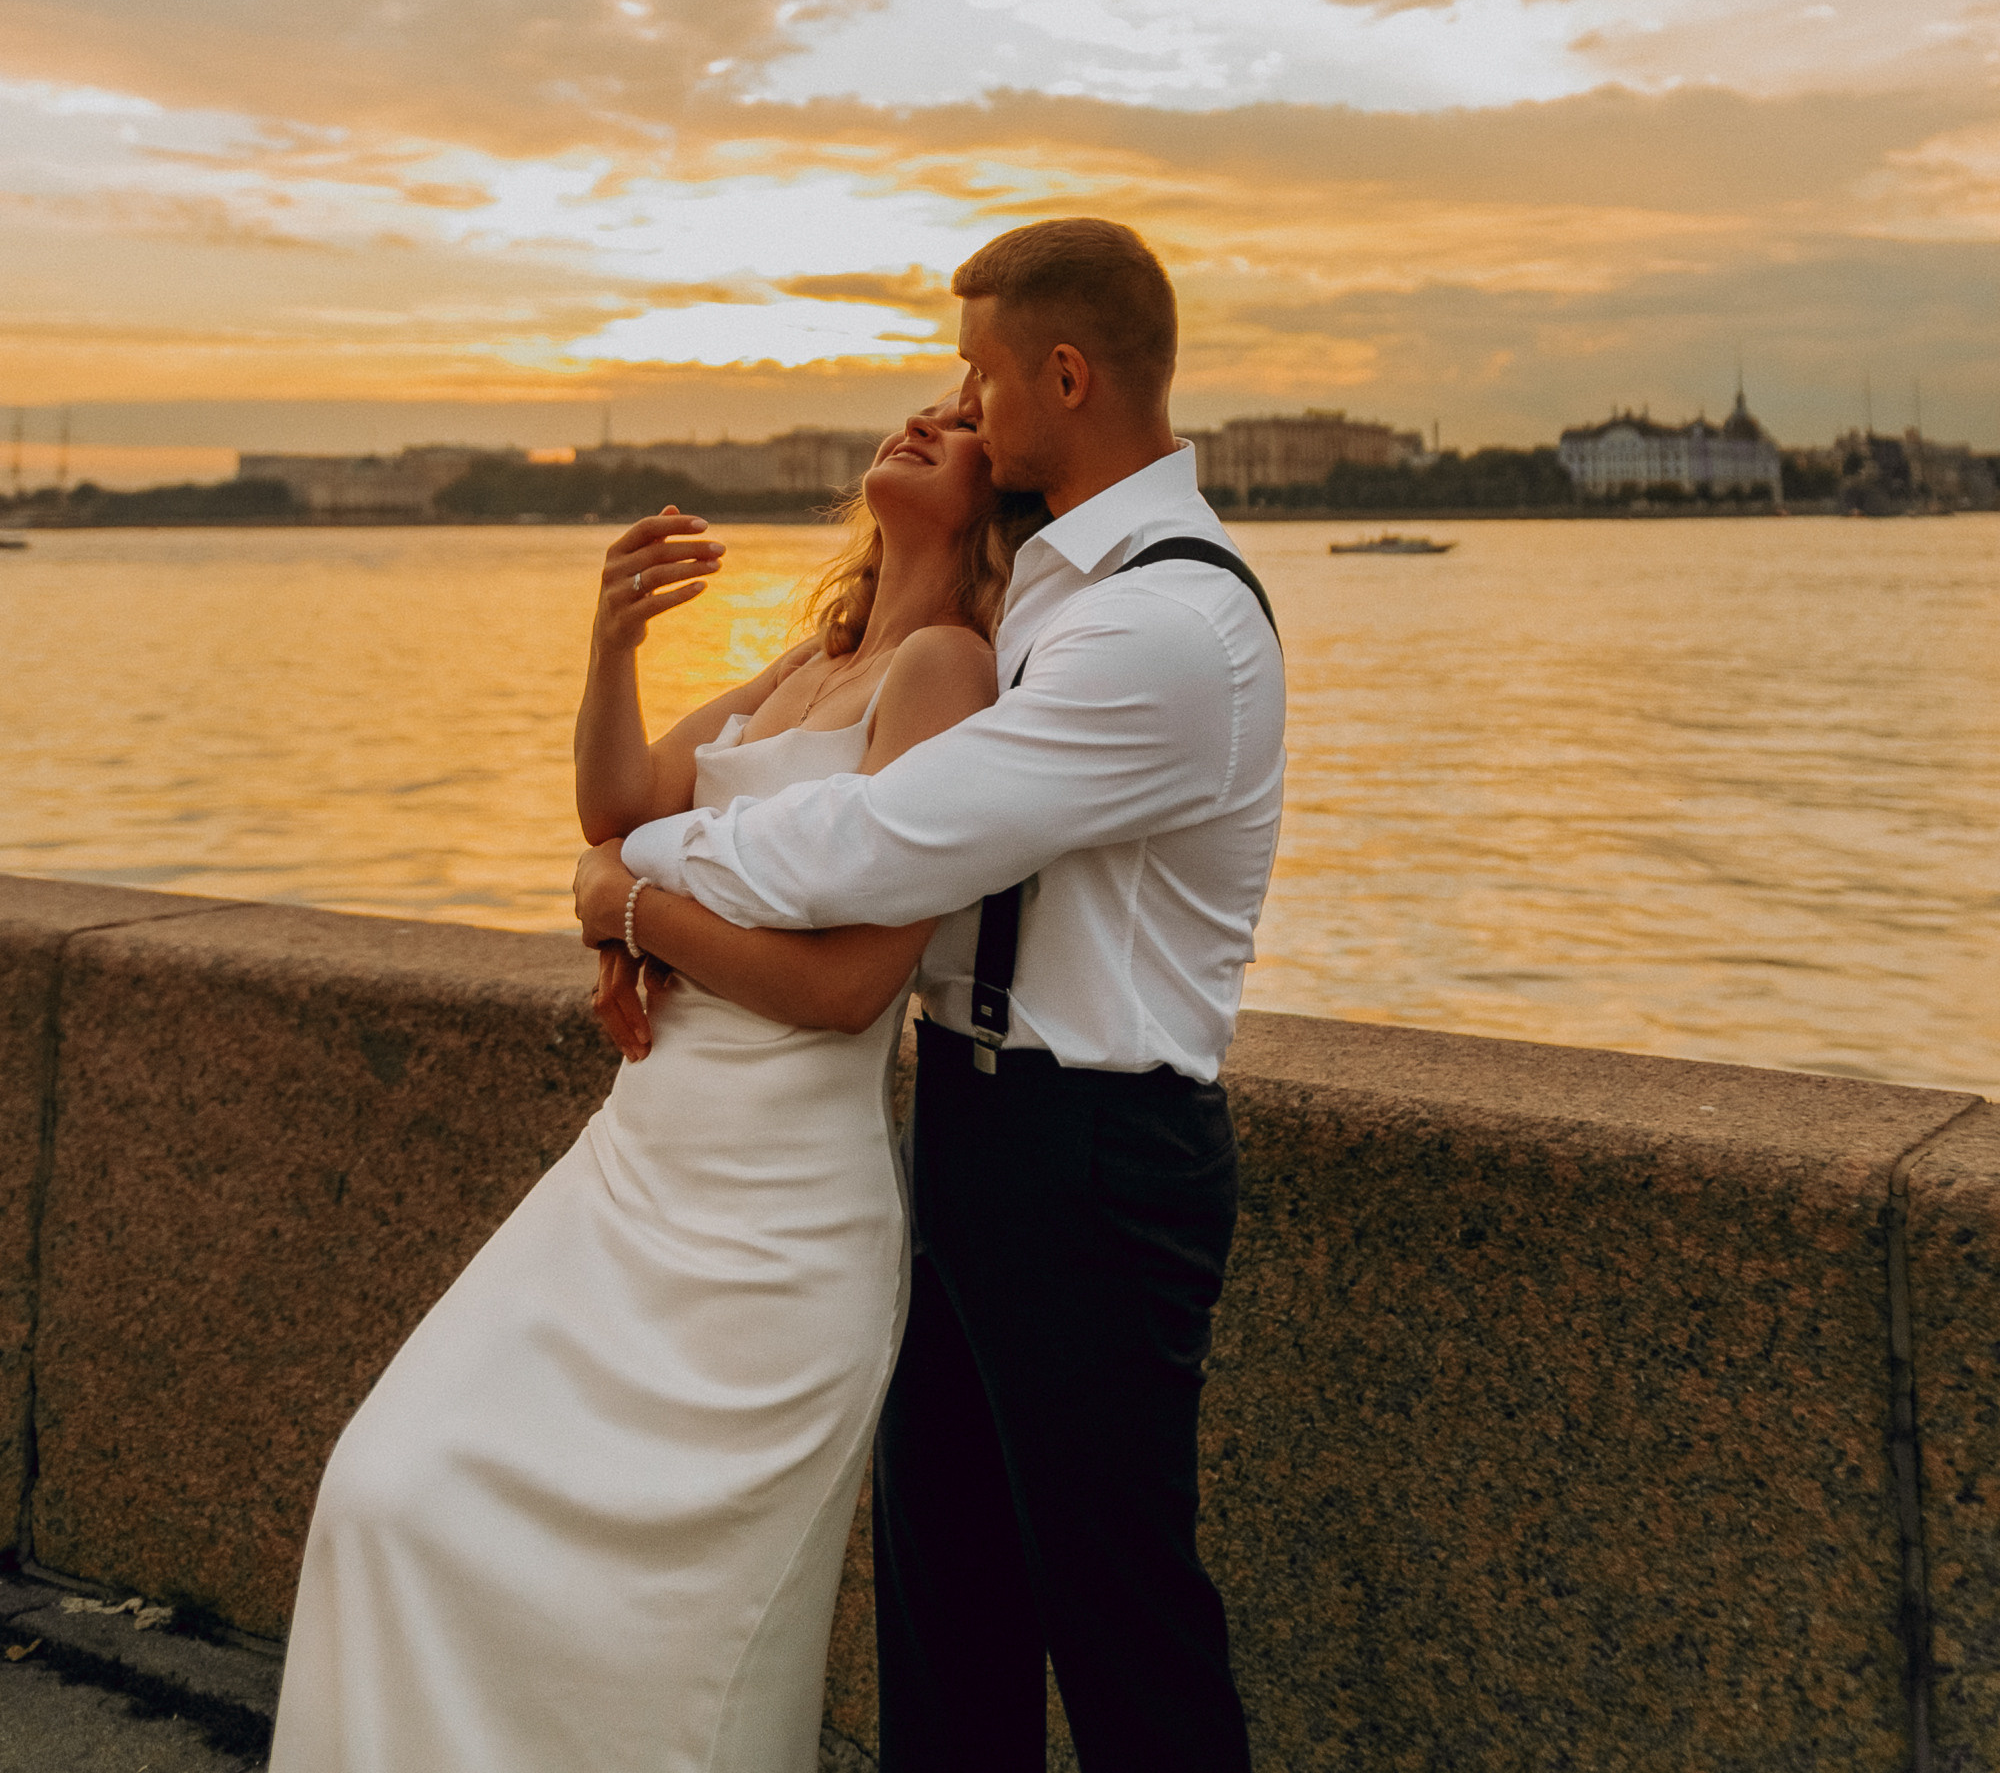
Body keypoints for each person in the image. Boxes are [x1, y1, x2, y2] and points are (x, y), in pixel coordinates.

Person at [270, 397, 1044, 1773]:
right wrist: (611, 644)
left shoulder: (945, 673)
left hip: (774, 1221)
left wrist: (631, 914)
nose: (927, 414)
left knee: (666, 1637)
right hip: (632, 1170)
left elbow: (846, 987)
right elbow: (616, 803)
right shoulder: (821, 653)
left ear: (1005, 488)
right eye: (925, 396)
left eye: (966, 415)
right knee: (389, 1491)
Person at [611, 218, 1287, 1773]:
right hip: (979, 1132)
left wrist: (635, 875)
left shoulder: (1165, 624)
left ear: (1066, 371)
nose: (963, 404)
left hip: (1102, 1159)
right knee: (950, 1609)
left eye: (982, 374)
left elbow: (884, 841)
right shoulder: (1051, 590)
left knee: (1123, 1628)